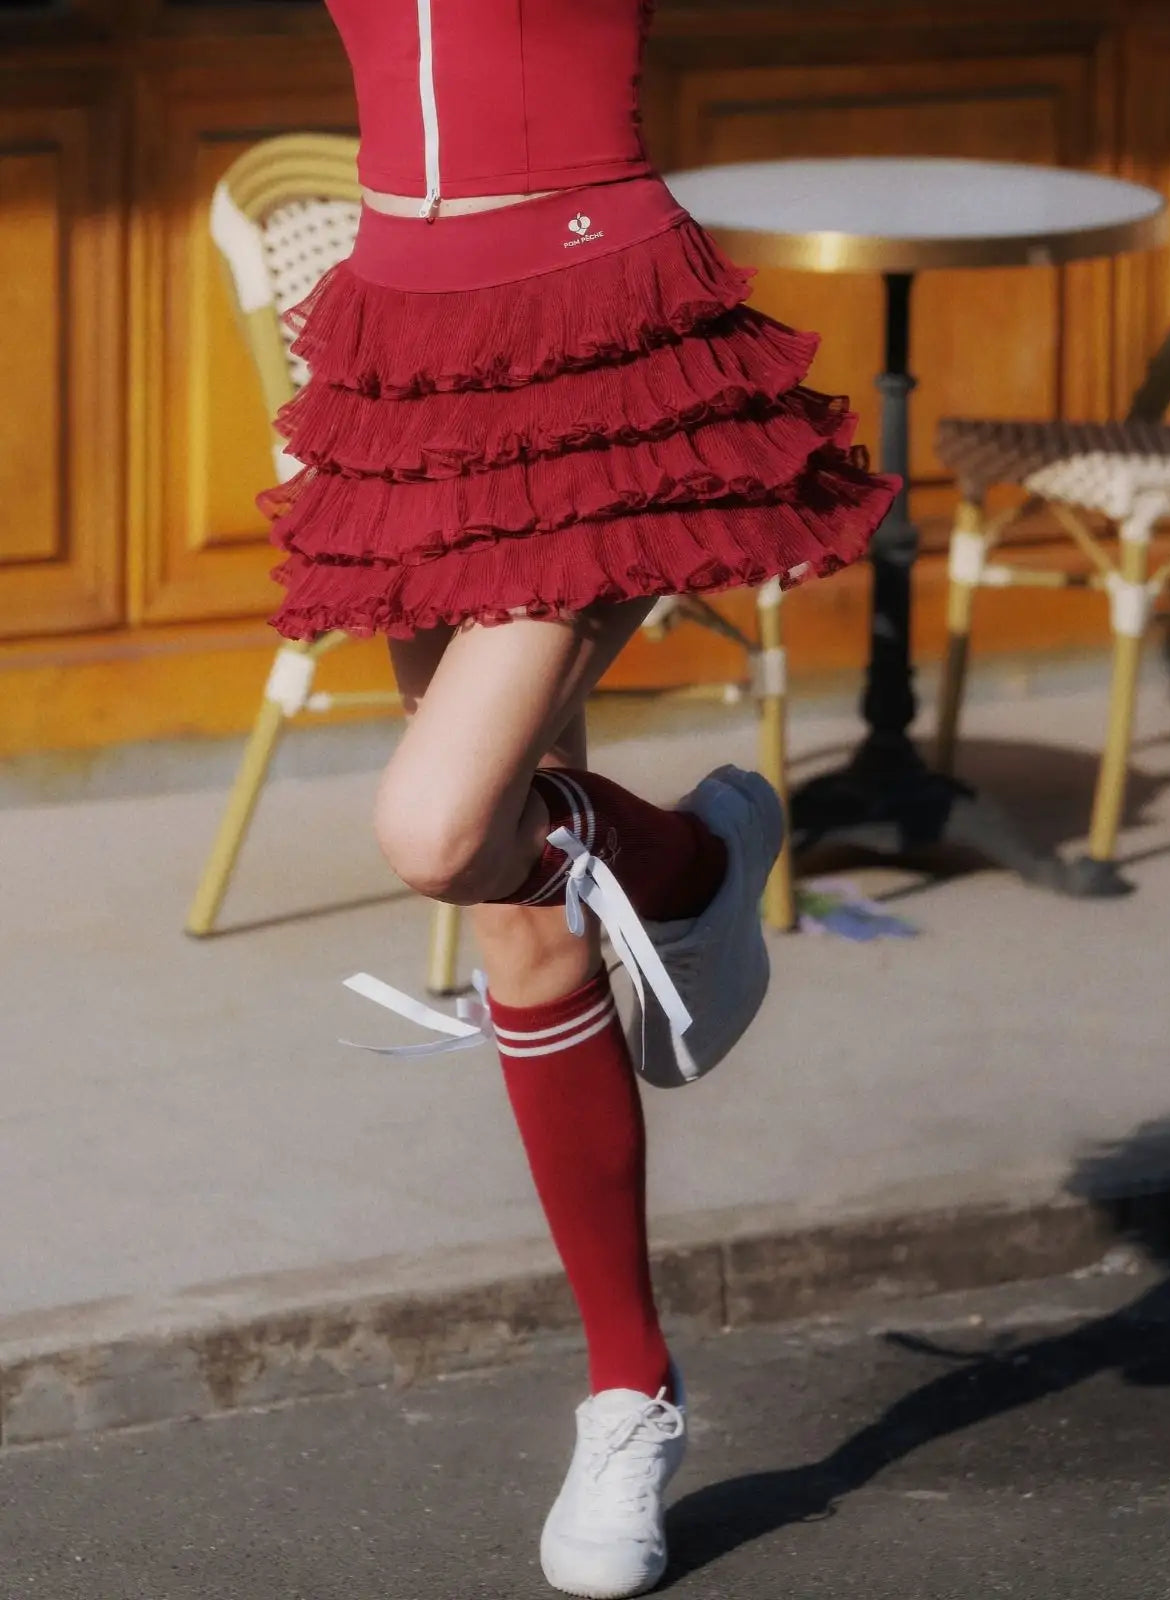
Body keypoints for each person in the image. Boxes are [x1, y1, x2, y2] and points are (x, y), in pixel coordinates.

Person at [259, 2, 897, 1593]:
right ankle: (632, 1389)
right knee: (516, 926)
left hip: (588, 311)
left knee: (440, 831)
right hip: (403, 338)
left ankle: (684, 869)